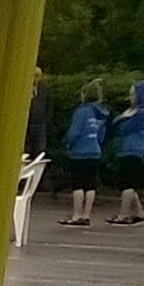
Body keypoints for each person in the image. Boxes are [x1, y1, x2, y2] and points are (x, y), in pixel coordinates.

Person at [59, 80, 108, 226]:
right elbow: (101, 134)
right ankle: (86, 215)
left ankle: (77, 214)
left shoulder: (81, 111)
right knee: (90, 184)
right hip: (94, 151)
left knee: (78, 184)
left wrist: (69, 144)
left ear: (85, 94)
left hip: (80, 151)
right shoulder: (100, 113)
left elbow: (74, 132)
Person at [107, 78, 144, 225]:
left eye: (133, 94)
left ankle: (124, 214)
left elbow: (124, 128)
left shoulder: (141, 112)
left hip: (133, 149)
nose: (131, 97)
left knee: (127, 184)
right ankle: (140, 212)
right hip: (127, 148)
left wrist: (122, 118)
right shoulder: (135, 111)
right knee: (129, 183)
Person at [24, 67, 50, 157]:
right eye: (34, 76)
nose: (36, 78)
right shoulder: (24, 89)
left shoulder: (44, 89)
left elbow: (49, 106)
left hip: (40, 125)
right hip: (27, 125)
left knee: (39, 150)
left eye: (38, 76)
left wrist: (46, 121)